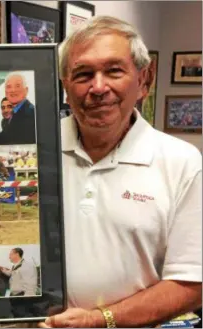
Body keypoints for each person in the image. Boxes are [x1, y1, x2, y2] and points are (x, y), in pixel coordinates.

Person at [39, 16, 201, 328]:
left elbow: (192, 284)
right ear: (65, 87)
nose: (98, 88)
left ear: (144, 80)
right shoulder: (36, 150)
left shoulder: (182, 162)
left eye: (113, 71)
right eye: (83, 74)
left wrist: (100, 321)